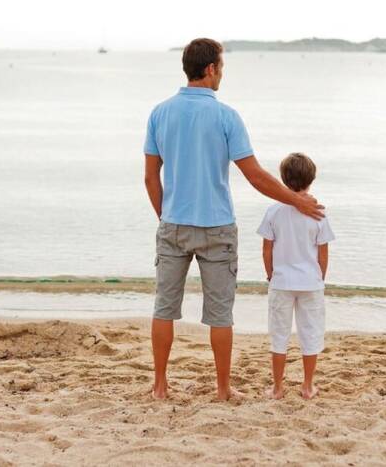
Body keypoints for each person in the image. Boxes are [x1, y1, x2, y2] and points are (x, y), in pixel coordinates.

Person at [143, 38, 325, 401]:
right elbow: (254, 176)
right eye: (221, 67)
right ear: (210, 69)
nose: (222, 74)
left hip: (174, 225)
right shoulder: (226, 116)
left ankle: (160, 386)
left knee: (164, 308)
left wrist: (167, 217)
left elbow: (151, 178)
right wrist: (297, 201)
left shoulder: (159, 113)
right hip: (217, 228)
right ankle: (223, 389)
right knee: (220, 313)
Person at [256, 153, 335, 400]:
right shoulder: (318, 213)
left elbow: (267, 249)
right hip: (310, 283)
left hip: (282, 282)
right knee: (310, 333)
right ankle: (307, 386)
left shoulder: (274, 211)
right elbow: (323, 252)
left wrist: (271, 275)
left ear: (283, 179)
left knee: (279, 335)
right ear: (311, 180)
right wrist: (320, 277)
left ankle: (278, 388)